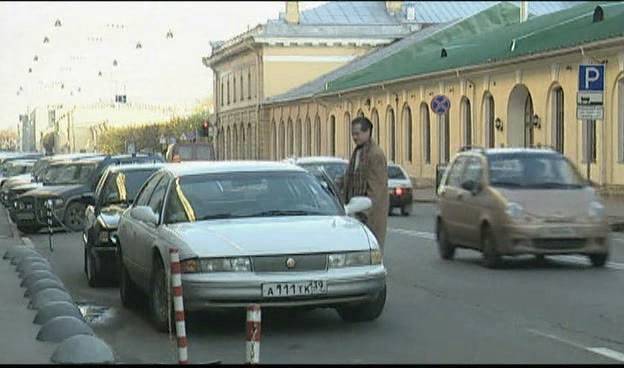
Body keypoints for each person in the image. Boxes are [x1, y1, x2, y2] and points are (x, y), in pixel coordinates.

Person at [342, 116, 389, 252]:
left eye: (357, 134)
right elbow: (349, 178)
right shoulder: (358, 151)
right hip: (355, 210)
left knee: (369, 250)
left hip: (370, 215)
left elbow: (376, 189)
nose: (354, 137)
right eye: (352, 134)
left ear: (368, 132)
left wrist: (363, 211)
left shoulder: (375, 154)